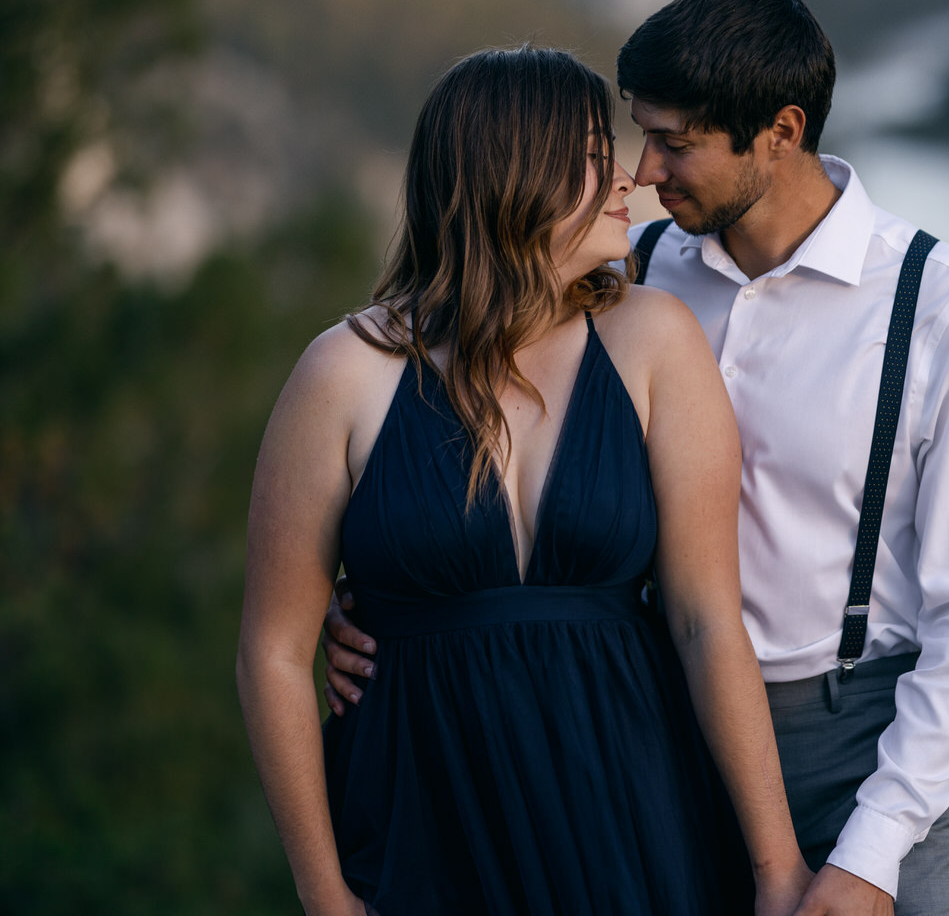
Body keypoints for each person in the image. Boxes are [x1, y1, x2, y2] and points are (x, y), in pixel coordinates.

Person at [328, 0, 949, 916]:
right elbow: (482, 432)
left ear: (780, 132)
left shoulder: (946, 307)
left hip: (861, 752)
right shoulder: (626, 272)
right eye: (640, 134)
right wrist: (380, 607)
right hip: (647, 732)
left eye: (677, 142)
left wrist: (872, 850)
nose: (646, 171)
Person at [238, 46, 811, 916]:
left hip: (629, 810)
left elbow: (706, 622)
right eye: (592, 155)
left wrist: (776, 871)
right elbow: (273, 653)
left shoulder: (654, 341)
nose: (630, 177)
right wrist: (323, 894)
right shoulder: (344, 373)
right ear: (513, 174)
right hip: (422, 821)